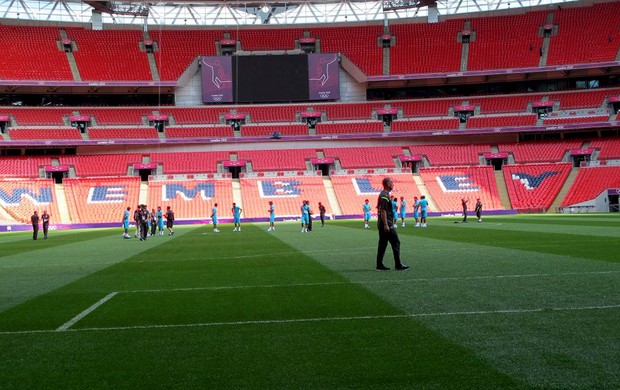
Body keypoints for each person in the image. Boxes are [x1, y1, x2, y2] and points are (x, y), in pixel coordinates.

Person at [376, 177, 409, 271]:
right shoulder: (384, 195)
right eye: (392, 183)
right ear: (387, 184)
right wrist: (386, 224)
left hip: (383, 223)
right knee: (396, 242)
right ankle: (398, 264)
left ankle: (379, 264)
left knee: (383, 244)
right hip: (387, 223)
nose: (393, 184)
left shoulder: (384, 194)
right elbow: (383, 211)